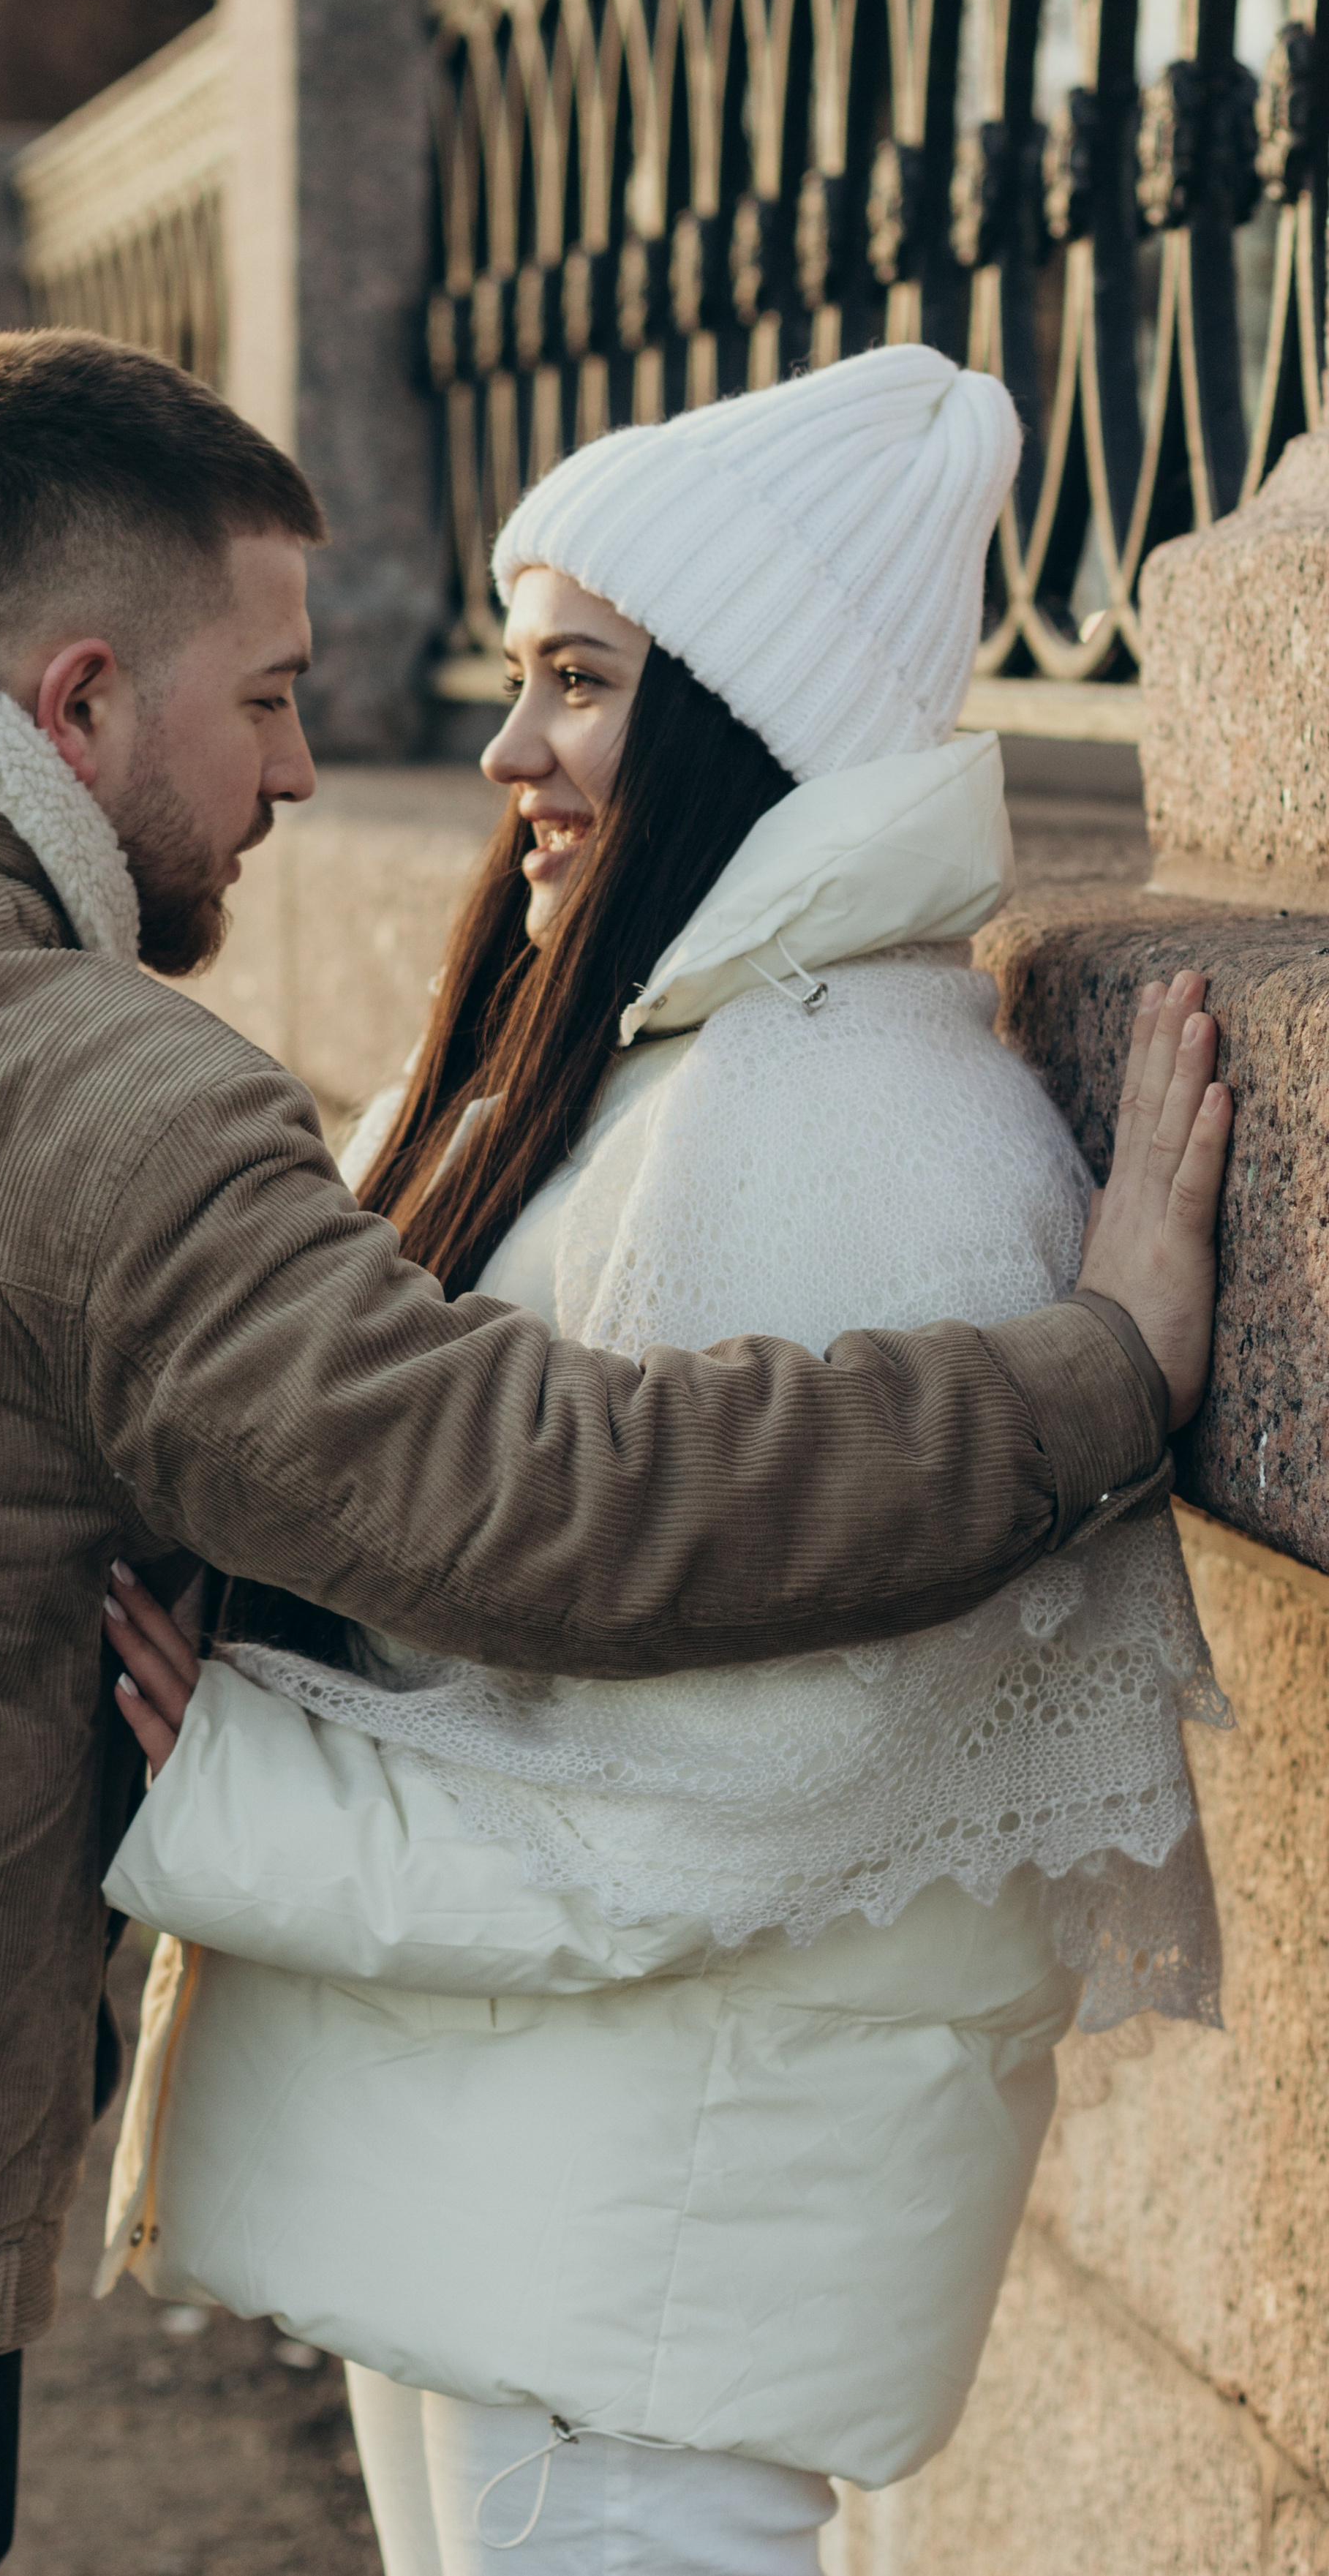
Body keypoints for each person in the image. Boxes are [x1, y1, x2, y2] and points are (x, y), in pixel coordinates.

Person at [0, 331, 1223, 2576]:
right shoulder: (96, 1099)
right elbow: (570, 1499)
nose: (316, 768)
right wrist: (1094, 1374)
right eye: (270, 697)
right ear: (82, 697)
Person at [98, 346, 1232, 2576]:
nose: (504, 744)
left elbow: (728, 1805)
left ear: (746, 714)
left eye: (582, 681)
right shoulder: (668, 1059)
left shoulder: (835, 1125)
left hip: (641, 2290)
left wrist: (242, 1780)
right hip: (530, 2212)